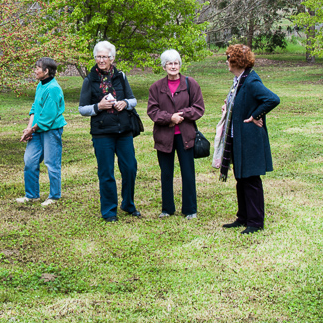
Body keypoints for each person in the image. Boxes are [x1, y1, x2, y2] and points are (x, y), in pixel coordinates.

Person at [217, 44, 280, 234]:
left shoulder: (251, 81)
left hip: (250, 138)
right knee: (241, 178)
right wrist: (229, 107)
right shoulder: (239, 80)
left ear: (236, 60)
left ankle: (255, 222)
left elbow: (272, 99)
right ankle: (243, 217)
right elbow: (240, 101)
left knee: (251, 179)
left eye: (228, 58)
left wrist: (256, 115)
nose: (226, 62)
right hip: (238, 137)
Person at [78, 41, 141, 222]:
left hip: (124, 131)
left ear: (112, 58)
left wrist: (125, 103)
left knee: (130, 168)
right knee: (106, 172)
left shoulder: (120, 76)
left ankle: (128, 204)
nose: (101, 60)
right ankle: (109, 211)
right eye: (98, 56)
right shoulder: (89, 80)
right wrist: (98, 106)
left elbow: (133, 99)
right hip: (102, 133)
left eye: (105, 56)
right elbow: (82, 109)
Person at [147, 49, 205, 219]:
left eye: (176, 63)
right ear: (164, 66)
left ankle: (190, 209)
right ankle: (167, 208)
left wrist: (182, 115)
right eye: (169, 63)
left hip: (186, 135)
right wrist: (169, 118)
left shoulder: (190, 83)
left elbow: (199, 108)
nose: (173, 66)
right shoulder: (156, 87)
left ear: (180, 65)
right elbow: (152, 111)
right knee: (166, 173)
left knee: (187, 172)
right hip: (164, 136)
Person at [17, 57, 67, 206]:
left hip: (51, 130)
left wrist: (31, 130)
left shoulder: (53, 88)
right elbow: (35, 108)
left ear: (46, 71)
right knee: (30, 160)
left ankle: (54, 196)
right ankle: (31, 195)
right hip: (37, 129)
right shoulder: (41, 85)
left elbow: (47, 118)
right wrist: (29, 128)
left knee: (52, 163)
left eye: (38, 68)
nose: (35, 70)